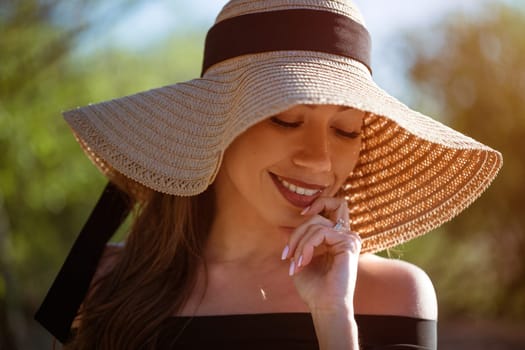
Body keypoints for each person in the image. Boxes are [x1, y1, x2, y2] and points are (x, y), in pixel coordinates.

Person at [35, 0, 503, 349]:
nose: (320, 160)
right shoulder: (105, 281)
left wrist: (335, 319)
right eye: (286, 119)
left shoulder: (391, 295)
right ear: (216, 122)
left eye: (344, 130)